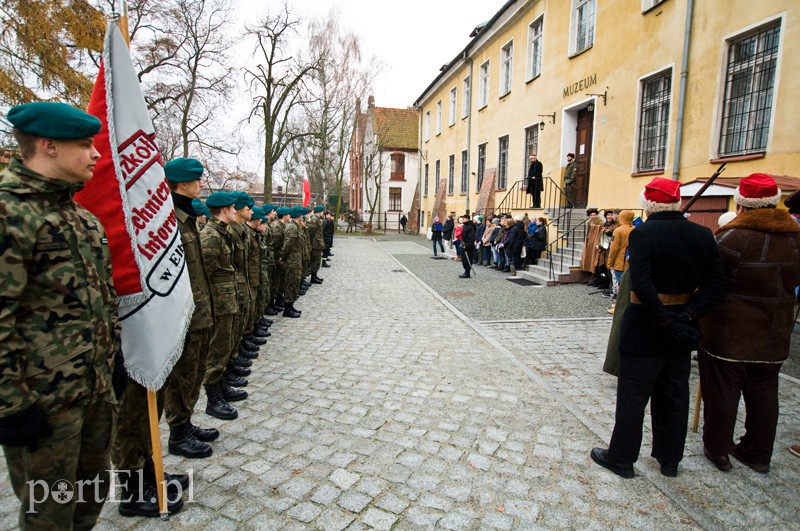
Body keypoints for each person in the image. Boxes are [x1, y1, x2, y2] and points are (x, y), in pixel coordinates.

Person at [0, 102, 124, 527]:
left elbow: (103, 302)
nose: (96, 155)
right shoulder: (10, 212)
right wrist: (11, 405)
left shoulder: (83, 219)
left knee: (89, 500)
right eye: (86, 145)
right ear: (48, 145)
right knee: (48, 515)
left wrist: (113, 365)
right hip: (44, 405)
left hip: (92, 394)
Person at [591, 177, 726, 479]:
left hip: (646, 326)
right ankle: (670, 459)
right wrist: (688, 314)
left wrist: (664, 320)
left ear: (647, 204)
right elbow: (716, 284)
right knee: (674, 395)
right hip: (681, 326)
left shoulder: (644, 234)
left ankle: (621, 457)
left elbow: (642, 283)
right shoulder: (702, 234)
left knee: (633, 397)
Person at [698, 174, 800, 474]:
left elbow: (709, 281)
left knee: (722, 391)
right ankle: (758, 453)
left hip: (729, 331)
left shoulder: (731, 238)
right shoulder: (795, 237)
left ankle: (718, 449)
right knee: (765, 394)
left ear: (741, 202)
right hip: (775, 332)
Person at [162, 159, 218, 460]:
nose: (201, 184)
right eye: (197, 180)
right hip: (182, 316)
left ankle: (185, 422)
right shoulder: (168, 219)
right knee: (181, 375)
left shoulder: (186, 217)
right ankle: (178, 432)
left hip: (198, 312)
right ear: (182, 184)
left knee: (194, 372)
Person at [201, 192, 242, 421]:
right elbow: (203, 276)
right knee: (216, 351)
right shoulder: (211, 236)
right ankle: (212, 399)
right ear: (224, 210)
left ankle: (222, 385)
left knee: (224, 347)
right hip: (218, 304)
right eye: (233, 208)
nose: (236, 211)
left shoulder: (222, 233)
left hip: (226, 301)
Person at [606, 210, 635, 299]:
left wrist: (610, 262)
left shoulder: (618, 230)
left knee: (620, 284)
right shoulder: (635, 229)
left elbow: (614, 248)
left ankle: (619, 303)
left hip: (620, 262)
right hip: (630, 260)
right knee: (629, 284)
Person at [459, 214, 477, 278]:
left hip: (469, 246)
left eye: (463, 219)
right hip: (465, 245)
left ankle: (467, 273)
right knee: (464, 259)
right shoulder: (465, 226)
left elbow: (471, 238)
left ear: (467, 219)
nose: (462, 220)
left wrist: (466, 245)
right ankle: (466, 272)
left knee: (468, 259)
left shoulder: (470, 227)